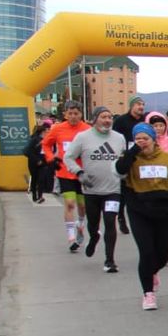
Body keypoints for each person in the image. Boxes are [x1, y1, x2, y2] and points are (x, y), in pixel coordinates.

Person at [116, 123, 168, 311]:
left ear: (153, 139)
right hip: (139, 209)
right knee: (146, 252)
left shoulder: (167, 158)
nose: (142, 142)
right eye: (138, 139)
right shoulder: (131, 158)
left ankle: (152, 271)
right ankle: (148, 293)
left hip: (163, 210)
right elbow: (119, 170)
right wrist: (131, 152)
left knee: (162, 255)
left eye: (145, 138)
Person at [63, 107, 125, 272]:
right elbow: (68, 157)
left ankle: (109, 260)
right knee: (93, 224)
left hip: (113, 190)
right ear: (95, 119)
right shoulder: (83, 137)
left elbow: (123, 160)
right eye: (103, 117)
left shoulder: (119, 138)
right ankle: (94, 237)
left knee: (110, 222)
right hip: (91, 190)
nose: (107, 120)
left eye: (110, 117)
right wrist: (79, 172)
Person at [43, 100, 91, 252]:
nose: (73, 117)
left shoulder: (87, 129)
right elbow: (45, 144)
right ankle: (71, 237)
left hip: (82, 173)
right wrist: (51, 158)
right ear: (65, 114)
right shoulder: (58, 129)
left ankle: (80, 224)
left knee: (82, 206)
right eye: (70, 113)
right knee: (70, 203)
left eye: (76, 113)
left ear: (81, 114)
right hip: (64, 172)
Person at [112, 96, 147, 235]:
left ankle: (139, 216)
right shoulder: (121, 121)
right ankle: (121, 216)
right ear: (131, 106)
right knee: (123, 190)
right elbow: (115, 138)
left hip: (141, 157)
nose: (141, 107)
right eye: (138, 104)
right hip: (126, 156)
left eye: (143, 105)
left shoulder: (145, 121)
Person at [25, 121, 54, 204]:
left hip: (43, 162)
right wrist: (37, 160)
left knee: (41, 179)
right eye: (47, 131)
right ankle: (34, 195)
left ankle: (40, 196)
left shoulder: (47, 140)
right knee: (34, 179)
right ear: (42, 132)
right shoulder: (35, 140)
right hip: (34, 162)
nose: (48, 132)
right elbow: (29, 152)